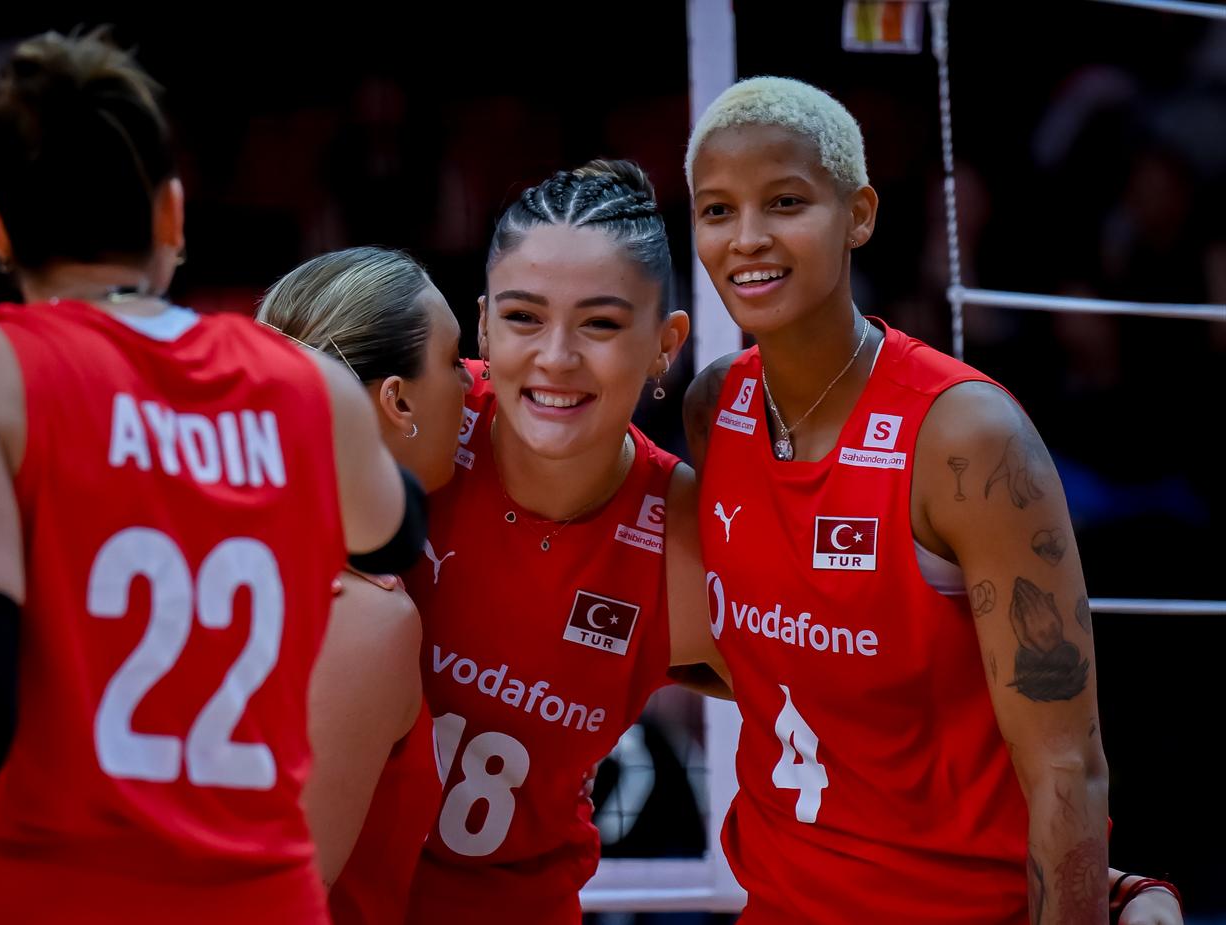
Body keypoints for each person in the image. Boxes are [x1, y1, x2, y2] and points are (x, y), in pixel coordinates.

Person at [683, 75, 1180, 925]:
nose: (748, 238)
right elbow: (766, 661)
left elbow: (1066, 765)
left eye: (787, 201)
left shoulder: (967, 439)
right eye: (717, 209)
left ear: (861, 214)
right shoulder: (714, 408)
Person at [0, 30, 416, 925]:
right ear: (172, 214)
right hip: (257, 900)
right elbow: (396, 531)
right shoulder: (308, 385)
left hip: (36, 893)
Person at [399, 159, 720, 925]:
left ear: (664, 344)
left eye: (602, 323)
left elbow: (841, 695)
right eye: (522, 318)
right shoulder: (411, 424)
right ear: (480, 324)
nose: (556, 356)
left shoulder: (682, 529)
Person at [257, 246, 472, 922]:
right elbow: (274, 900)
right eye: (453, 360)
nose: (473, 382)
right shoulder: (363, 611)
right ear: (398, 399)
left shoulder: (227, 542)